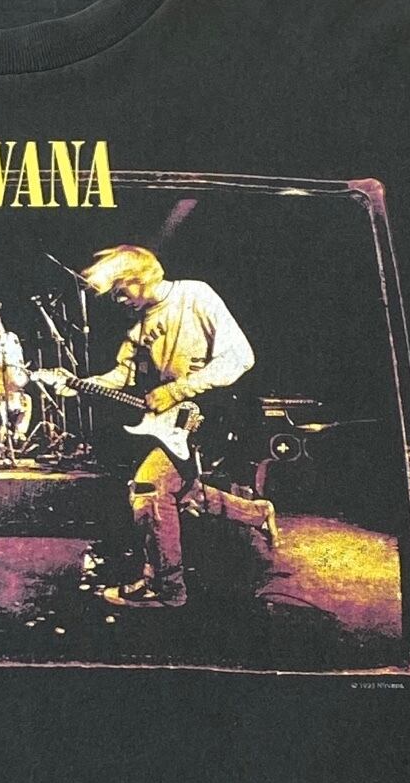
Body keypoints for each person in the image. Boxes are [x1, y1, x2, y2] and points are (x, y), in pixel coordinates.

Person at [79, 244, 277, 607]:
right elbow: (123, 374)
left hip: (215, 413)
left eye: (120, 290)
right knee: (183, 491)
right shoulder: (138, 327)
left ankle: (166, 588)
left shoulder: (195, 295)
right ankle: (256, 513)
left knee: (150, 486)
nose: (118, 300)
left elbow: (240, 356)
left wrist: (176, 390)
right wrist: (81, 383)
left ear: (140, 277)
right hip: (174, 423)